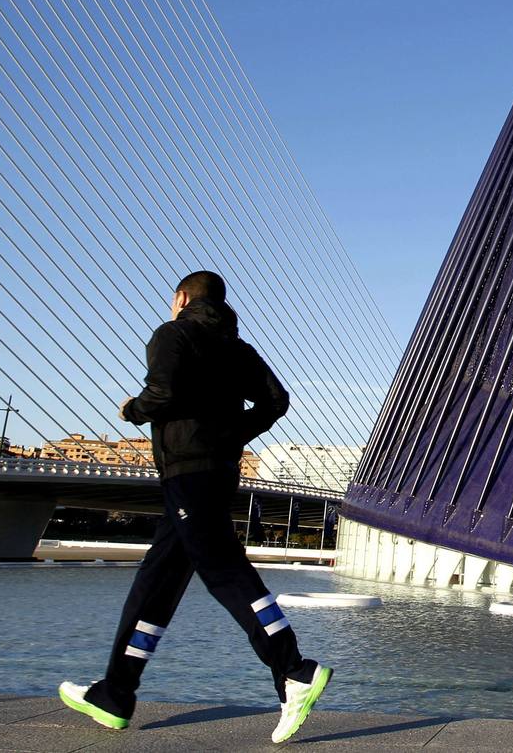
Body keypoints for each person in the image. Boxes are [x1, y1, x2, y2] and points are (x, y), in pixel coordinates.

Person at [59, 271, 329, 744]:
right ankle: (116, 693)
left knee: (224, 571)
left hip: (187, 472)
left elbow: (162, 395)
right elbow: (275, 401)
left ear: (181, 298)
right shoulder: (238, 349)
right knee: (155, 587)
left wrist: (132, 411)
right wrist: (230, 436)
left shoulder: (173, 333)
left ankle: (293, 669)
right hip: (216, 473)